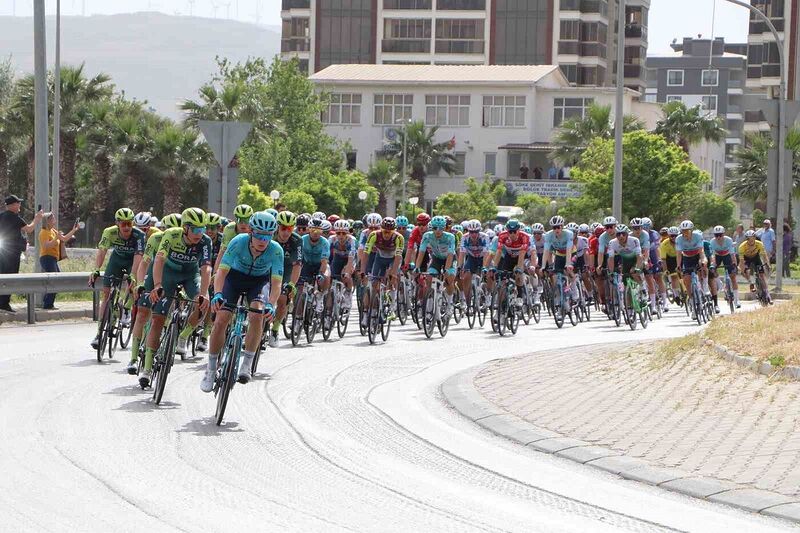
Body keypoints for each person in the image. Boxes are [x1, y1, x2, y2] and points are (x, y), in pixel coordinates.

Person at [0, 195, 43, 313]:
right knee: (10, 277)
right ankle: (4, 304)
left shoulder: (1, 216)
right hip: (12, 253)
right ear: (12, 205)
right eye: (18, 203)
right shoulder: (16, 218)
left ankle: (2, 302)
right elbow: (29, 229)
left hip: (2, 252)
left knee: (2, 276)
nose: (19, 205)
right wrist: (37, 219)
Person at [38, 212, 80, 309]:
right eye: (52, 218)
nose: (54, 220)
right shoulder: (43, 232)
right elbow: (46, 246)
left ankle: (48, 303)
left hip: (53, 259)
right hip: (46, 258)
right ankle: (47, 304)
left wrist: (74, 230)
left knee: (56, 280)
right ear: (47, 221)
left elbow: (64, 239)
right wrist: (56, 239)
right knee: (54, 281)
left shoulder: (53, 231)